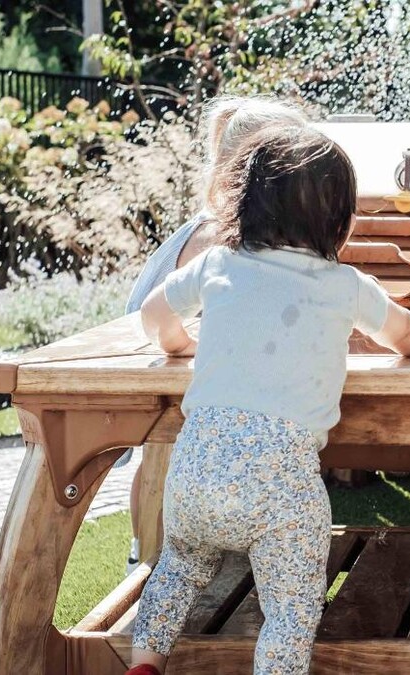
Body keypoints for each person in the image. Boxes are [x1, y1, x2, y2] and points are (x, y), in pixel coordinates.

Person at [124, 125, 410, 675]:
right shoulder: (345, 284)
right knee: (289, 612)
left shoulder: (218, 264)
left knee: (177, 569)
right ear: (338, 220)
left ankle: (145, 665)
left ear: (244, 203)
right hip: (279, 492)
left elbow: (152, 316)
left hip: (195, 475)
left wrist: (181, 345)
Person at [119, 97, 308, 574]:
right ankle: (149, 563)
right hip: (154, 378)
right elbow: (161, 321)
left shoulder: (240, 231)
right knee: (172, 451)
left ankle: (159, 561)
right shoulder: (216, 237)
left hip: (176, 375)